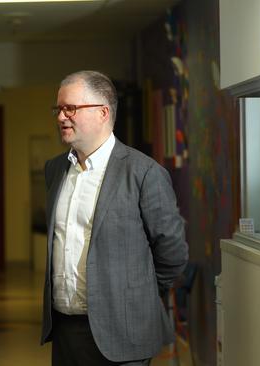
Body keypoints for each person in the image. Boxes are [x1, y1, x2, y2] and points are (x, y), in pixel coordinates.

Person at [40, 70, 188, 365]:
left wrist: (133, 292)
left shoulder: (144, 173)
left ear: (103, 112)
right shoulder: (54, 169)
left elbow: (172, 251)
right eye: (59, 109)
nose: (60, 117)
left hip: (123, 333)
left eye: (71, 108)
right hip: (66, 331)